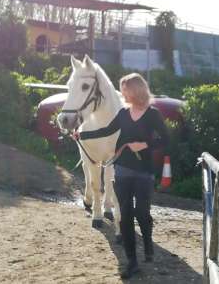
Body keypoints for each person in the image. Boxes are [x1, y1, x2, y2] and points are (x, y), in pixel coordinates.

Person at [72, 73, 169, 279]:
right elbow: (107, 130)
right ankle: (132, 262)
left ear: (135, 90)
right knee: (125, 216)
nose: (122, 93)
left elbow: (166, 140)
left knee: (142, 213)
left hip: (144, 171)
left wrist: (145, 145)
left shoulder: (153, 114)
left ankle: (148, 244)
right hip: (123, 169)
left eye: (125, 89)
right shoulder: (123, 114)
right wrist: (82, 134)